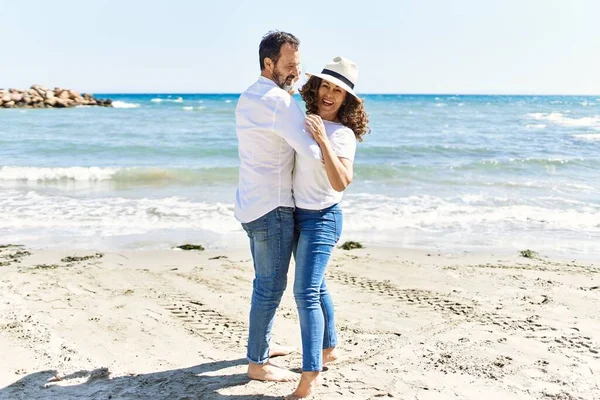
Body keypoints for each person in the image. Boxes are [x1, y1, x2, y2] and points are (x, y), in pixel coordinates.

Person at [234, 31, 323, 382]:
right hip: (274, 207)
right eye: (289, 66)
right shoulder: (279, 102)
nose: (295, 74)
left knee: (263, 282)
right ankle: (257, 363)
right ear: (268, 63)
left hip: (250, 205)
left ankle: (262, 346)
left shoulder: (247, 97)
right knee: (270, 287)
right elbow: (312, 152)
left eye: (298, 66)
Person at [286, 56, 369, 399]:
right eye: (326, 85)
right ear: (316, 87)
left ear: (346, 99)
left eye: (338, 90)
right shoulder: (303, 118)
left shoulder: (343, 135)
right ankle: (329, 347)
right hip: (296, 215)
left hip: (323, 218)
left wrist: (322, 139)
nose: (330, 93)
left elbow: (341, 183)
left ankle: (310, 377)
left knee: (304, 293)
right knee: (316, 288)